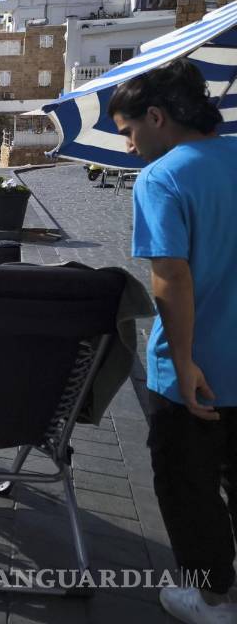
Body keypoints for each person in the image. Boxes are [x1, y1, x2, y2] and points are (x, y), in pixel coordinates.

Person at [108, 60, 237, 621]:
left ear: (156, 117)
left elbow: (172, 276)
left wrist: (183, 362)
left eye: (129, 132)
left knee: (190, 491)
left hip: (196, 371)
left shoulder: (162, 179)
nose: (130, 147)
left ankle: (212, 600)